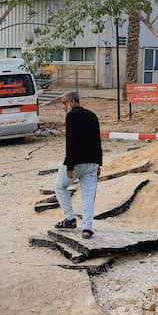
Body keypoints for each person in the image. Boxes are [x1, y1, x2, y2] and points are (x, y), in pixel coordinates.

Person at [53, 92, 102, 240]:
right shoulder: (92, 115)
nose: (63, 107)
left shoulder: (71, 116)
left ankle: (69, 218)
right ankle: (87, 228)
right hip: (93, 161)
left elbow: (71, 142)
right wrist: (99, 163)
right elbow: (97, 141)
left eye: (64, 103)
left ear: (73, 102)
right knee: (88, 195)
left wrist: (69, 165)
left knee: (59, 186)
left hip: (77, 162)